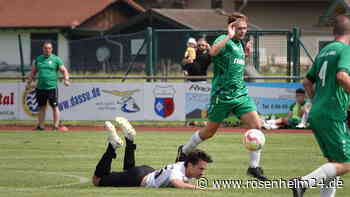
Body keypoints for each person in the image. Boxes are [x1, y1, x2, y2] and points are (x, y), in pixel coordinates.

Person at [175, 12, 268, 181]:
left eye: (245, 28)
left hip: (240, 94)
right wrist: (229, 36)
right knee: (209, 132)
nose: (243, 31)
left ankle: (254, 167)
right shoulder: (222, 39)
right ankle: (185, 150)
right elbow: (213, 52)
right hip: (222, 95)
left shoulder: (240, 45)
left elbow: (235, 66)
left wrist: (246, 55)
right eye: (239, 28)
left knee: (256, 125)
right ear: (231, 27)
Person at [291, 15, 350, 197]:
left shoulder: (324, 51)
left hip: (317, 111)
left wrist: (318, 101)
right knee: (347, 163)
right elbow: (342, 77)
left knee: (333, 161)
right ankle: (303, 183)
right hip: (332, 112)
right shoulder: (345, 50)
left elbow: (307, 82)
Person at [92, 117, 213, 189]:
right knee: (97, 180)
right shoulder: (177, 173)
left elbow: (182, 150)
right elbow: (177, 183)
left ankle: (129, 140)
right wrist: (203, 188)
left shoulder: (183, 164)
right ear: (190, 165)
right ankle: (112, 146)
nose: (202, 172)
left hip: (146, 171)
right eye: (201, 168)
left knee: (128, 171)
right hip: (140, 177)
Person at [27, 41, 70, 131]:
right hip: (40, 88)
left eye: (49, 48)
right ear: (43, 49)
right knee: (41, 107)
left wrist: (66, 79)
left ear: (52, 49)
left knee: (54, 106)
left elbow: (64, 71)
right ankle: (41, 126)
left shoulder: (56, 59)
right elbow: (33, 72)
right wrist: (29, 82)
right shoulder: (38, 59)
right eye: (45, 48)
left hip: (52, 88)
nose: (47, 50)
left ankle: (55, 126)